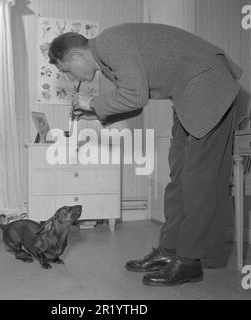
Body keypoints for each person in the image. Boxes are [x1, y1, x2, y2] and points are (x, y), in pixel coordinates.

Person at [48, 23, 243, 286]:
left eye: (68, 71)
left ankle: (189, 260)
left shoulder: (109, 44)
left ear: (78, 56)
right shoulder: (106, 61)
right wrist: (94, 110)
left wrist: (91, 103)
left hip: (207, 87)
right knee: (179, 177)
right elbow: (136, 100)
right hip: (188, 93)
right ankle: (170, 250)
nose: (74, 78)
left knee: (199, 179)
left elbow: (136, 96)